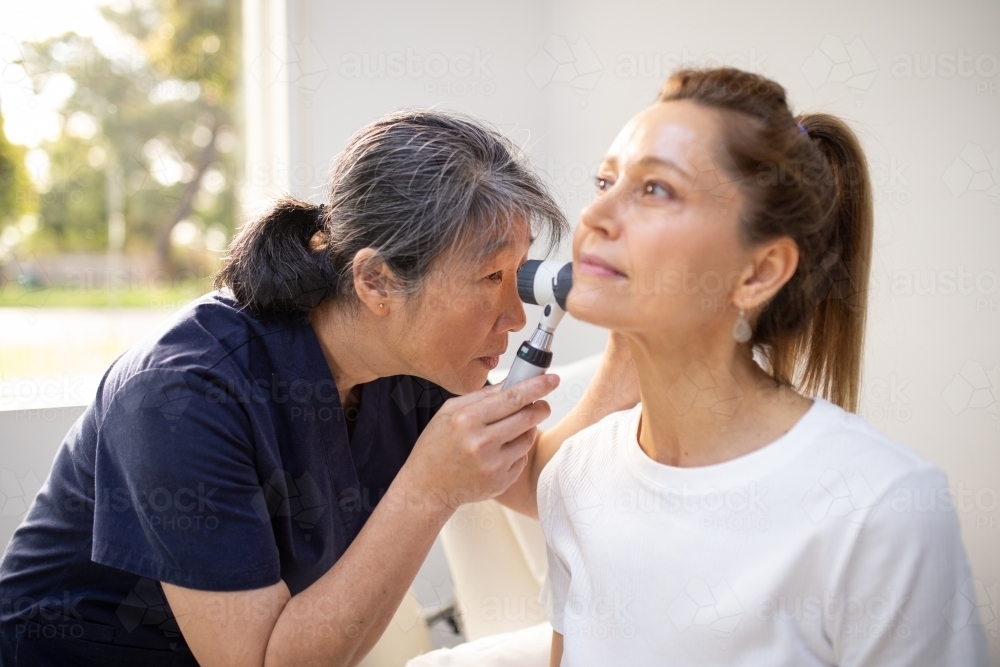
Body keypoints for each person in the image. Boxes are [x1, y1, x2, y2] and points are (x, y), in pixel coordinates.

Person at [0, 109, 638, 667]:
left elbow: (527, 480)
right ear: (378, 282)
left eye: (517, 273)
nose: (516, 315)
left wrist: (636, 347)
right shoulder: (181, 395)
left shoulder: (410, 367)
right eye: (489, 277)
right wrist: (428, 489)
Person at [538, 68, 990, 666]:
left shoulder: (882, 509)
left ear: (758, 272)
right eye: (606, 180)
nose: (596, 214)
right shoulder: (576, 478)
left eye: (656, 190)